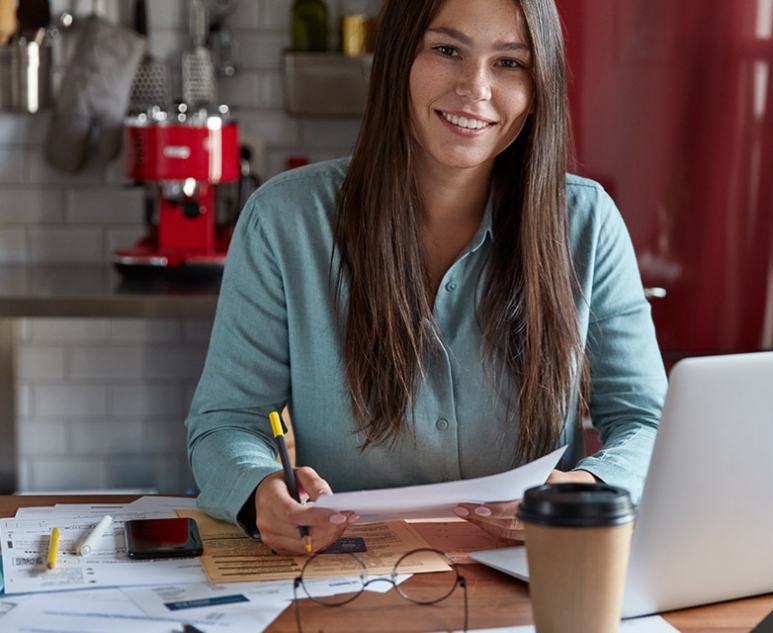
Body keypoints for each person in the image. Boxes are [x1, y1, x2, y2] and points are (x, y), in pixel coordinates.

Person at [185, 0, 667, 556]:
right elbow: (225, 423)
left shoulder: (587, 223)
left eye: (510, 63)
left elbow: (646, 421)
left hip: (535, 574)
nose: (476, 89)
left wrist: (587, 491)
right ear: (397, 62)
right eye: (446, 50)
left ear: (539, 89)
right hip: (347, 572)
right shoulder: (284, 221)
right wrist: (260, 490)